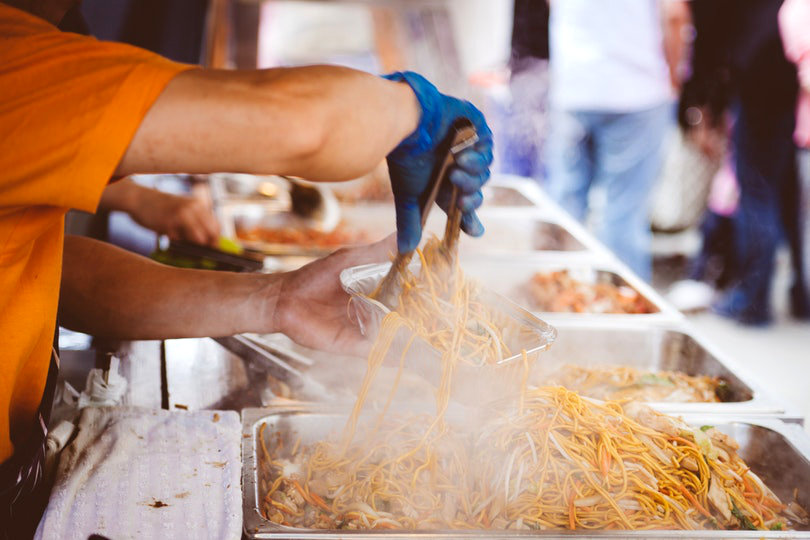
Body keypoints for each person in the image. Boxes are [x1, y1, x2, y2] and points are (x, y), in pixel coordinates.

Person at [0, 2, 494, 537]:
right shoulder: (13, 58)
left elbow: (57, 275)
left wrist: (276, 301)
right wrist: (414, 111)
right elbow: (302, 124)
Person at [679, 0, 807, 325]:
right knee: (784, 194)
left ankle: (753, 299)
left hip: (762, 80)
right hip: (777, 82)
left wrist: (701, 98)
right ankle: (797, 293)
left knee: (758, 192)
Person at [544, 0, 687, 281]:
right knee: (622, 214)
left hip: (574, 87)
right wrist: (674, 78)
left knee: (565, 203)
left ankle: (553, 293)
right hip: (635, 90)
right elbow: (674, 15)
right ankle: (618, 303)